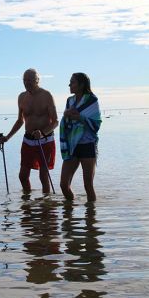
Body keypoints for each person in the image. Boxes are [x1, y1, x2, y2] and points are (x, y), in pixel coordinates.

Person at [0, 68, 58, 196]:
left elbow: (55, 122)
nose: (26, 83)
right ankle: (27, 203)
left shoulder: (46, 95)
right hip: (28, 140)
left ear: (37, 80)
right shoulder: (22, 97)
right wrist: (7, 137)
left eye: (30, 80)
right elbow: (20, 121)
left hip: (45, 140)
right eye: (24, 80)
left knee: (43, 176)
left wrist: (43, 133)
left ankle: (45, 206)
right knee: (22, 176)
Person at [60, 73, 102, 202]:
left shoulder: (92, 100)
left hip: (87, 145)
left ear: (81, 84)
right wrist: (66, 115)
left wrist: (79, 117)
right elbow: (66, 122)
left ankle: (90, 218)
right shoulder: (70, 100)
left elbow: (96, 124)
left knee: (88, 185)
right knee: (63, 185)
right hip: (72, 145)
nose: (69, 85)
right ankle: (69, 211)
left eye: (72, 82)